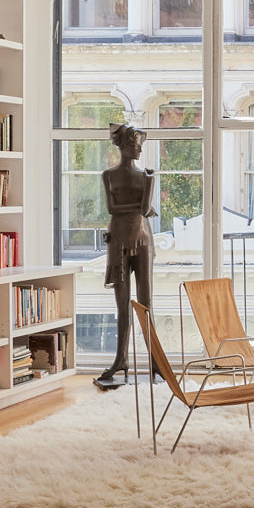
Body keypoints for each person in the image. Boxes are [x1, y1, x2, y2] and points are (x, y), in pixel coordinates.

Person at [95, 122, 155, 389]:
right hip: (118, 239)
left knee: (146, 301)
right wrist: (143, 207)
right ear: (123, 146)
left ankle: (155, 360)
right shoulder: (109, 175)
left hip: (142, 239)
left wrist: (145, 207)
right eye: (135, 144)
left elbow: (142, 210)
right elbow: (112, 208)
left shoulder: (146, 176)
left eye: (140, 145)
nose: (139, 149)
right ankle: (121, 358)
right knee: (122, 304)